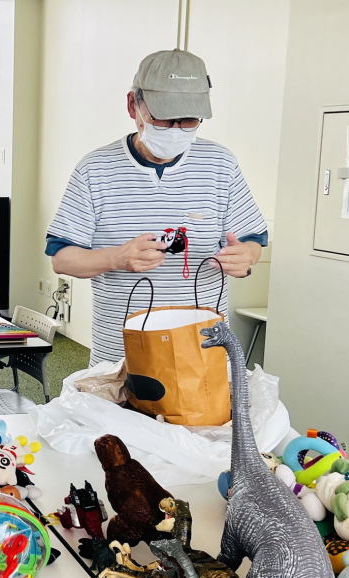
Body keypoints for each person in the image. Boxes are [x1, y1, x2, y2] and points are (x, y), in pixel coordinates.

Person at [48, 49, 268, 365]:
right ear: (132, 106)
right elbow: (62, 259)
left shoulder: (221, 164)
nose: (175, 129)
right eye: (163, 117)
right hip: (121, 357)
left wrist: (246, 256)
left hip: (202, 356)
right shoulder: (95, 170)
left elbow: (252, 242)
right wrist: (117, 258)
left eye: (188, 120)